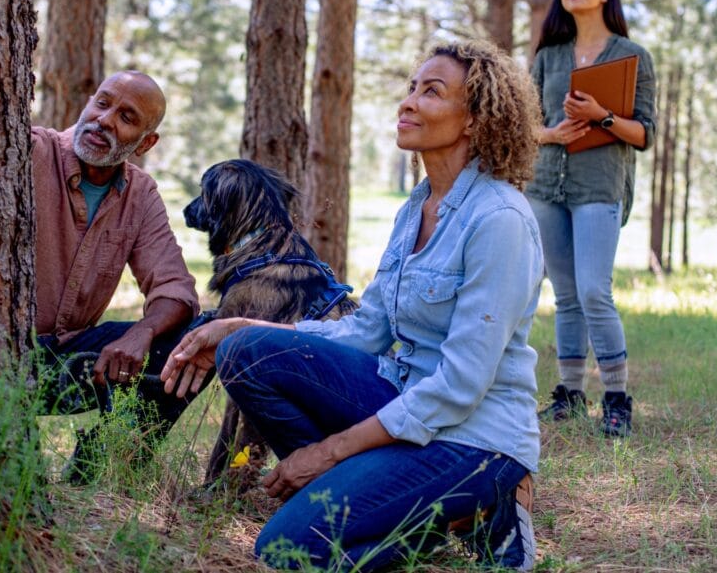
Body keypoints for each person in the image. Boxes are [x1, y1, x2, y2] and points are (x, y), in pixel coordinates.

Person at [162, 41, 544, 571]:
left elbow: (460, 386)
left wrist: (329, 452)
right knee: (246, 352)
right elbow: (367, 331)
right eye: (410, 87)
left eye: (431, 92)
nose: (408, 102)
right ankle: (393, 503)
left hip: (474, 438)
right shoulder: (415, 209)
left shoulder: (500, 219)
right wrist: (235, 324)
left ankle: (468, 510)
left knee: (286, 550)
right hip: (401, 400)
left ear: (478, 120)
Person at [32, 70, 207, 482]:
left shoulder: (140, 194)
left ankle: (102, 467)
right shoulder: (31, 151)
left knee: (195, 337)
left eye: (126, 117)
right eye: (103, 103)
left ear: (146, 143)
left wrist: (142, 332)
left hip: (68, 357)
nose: (105, 120)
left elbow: (176, 290)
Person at [527, 0, 657, 437]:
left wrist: (602, 115)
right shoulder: (548, 57)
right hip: (546, 187)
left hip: (599, 187)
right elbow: (525, 126)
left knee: (593, 291)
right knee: (565, 297)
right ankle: (570, 394)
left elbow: (643, 133)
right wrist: (552, 135)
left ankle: (618, 400)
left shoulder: (633, 56)